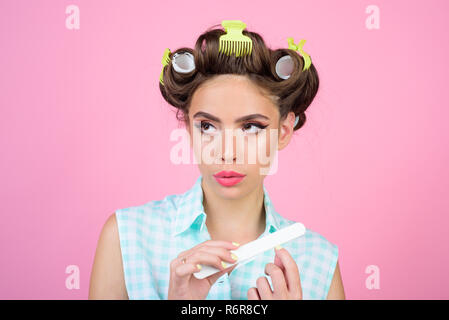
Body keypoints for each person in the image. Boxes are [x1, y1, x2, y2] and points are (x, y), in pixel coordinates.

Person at [89, 20, 345, 300]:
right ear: (189, 128)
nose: (227, 152)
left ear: (283, 131)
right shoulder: (126, 238)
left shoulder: (319, 261)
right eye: (208, 126)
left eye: (250, 127)